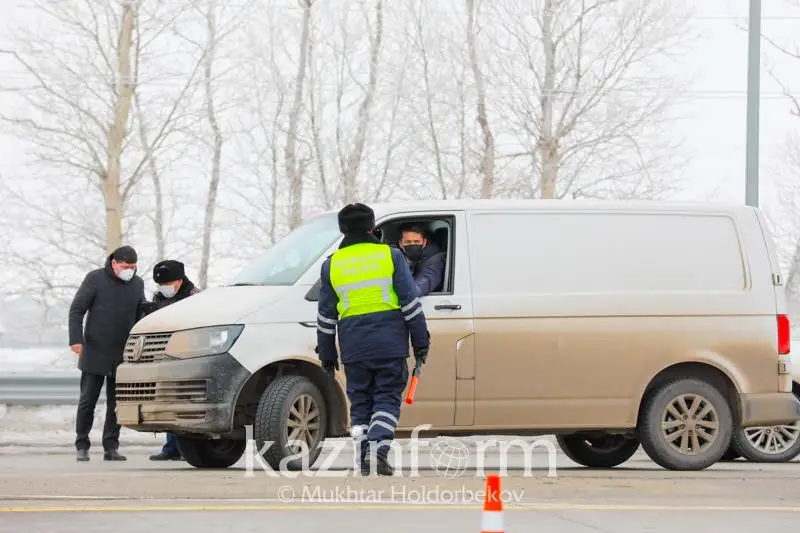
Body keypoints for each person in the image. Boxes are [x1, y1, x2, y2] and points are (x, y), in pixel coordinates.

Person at [316, 203, 431, 476]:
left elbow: (325, 315)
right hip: (389, 341)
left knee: (360, 401)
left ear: (343, 230)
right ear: (372, 228)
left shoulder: (332, 264)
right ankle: (377, 450)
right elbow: (410, 303)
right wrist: (421, 341)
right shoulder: (390, 256)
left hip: (353, 345)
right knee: (387, 397)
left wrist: (327, 354)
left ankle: (363, 455)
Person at [68, 245, 146, 462]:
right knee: (87, 401)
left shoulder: (138, 284)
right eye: (125, 266)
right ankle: (82, 445)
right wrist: (76, 339)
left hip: (122, 354)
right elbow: (76, 310)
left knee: (117, 404)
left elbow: (140, 313)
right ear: (114, 263)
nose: (130, 270)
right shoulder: (95, 278)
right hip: (94, 350)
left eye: (133, 266)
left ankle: (111, 447)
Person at [142, 260, 201, 461]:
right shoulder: (158, 297)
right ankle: (171, 448)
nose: (164, 288)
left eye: (167, 283)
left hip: (187, 355)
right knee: (167, 400)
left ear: (179, 280)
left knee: (185, 402)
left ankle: (188, 447)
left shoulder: (195, 297)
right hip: (163, 355)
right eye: (160, 284)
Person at [398, 224, 446, 296]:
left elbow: (417, 289)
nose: (412, 245)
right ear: (401, 244)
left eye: (417, 242)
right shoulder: (398, 258)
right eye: (408, 242)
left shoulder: (434, 261)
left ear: (424, 242)